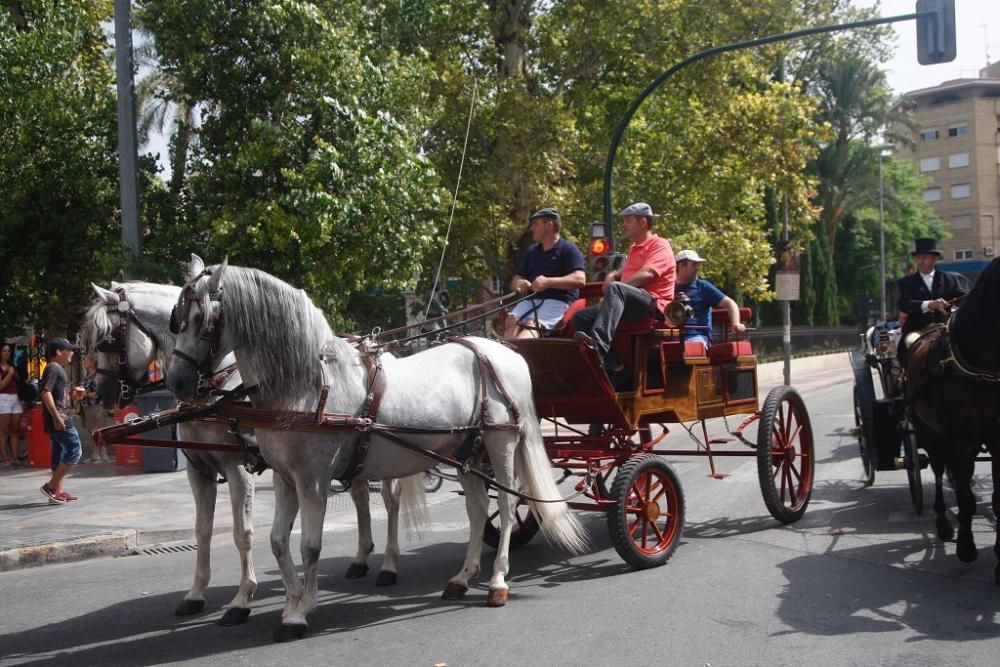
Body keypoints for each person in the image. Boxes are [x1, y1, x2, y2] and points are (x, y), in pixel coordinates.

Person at [572, 202, 676, 376]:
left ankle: (597, 347)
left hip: (653, 305)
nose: (624, 225)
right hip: (630, 301)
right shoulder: (634, 249)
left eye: (628, 220)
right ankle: (612, 363)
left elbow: (647, 274)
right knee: (580, 317)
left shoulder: (660, 245)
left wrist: (615, 289)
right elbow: (624, 274)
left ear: (642, 223)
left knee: (616, 290)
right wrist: (614, 274)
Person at [503, 207, 586, 339]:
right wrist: (519, 284)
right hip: (531, 300)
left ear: (549, 224)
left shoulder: (569, 249)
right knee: (510, 321)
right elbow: (515, 280)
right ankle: (506, 357)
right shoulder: (532, 251)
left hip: (557, 301)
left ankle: (523, 356)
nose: (532, 228)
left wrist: (548, 282)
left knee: (532, 324)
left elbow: (580, 279)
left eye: (536, 224)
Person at [896, 237, 969, 363]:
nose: (921, 261)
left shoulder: (950, 279)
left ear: (934, 259)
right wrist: (929, 304)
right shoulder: (906, 282)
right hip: (917, 329)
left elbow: (962, 300)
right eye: (918, 257)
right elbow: (904, 304)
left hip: (946, 327)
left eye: (925, 257)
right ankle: (909, 377)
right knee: (910, 343)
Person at [39, 338, 83, 504]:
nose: (71, 352)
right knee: (74, 450)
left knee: (58, 455)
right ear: (58, 351)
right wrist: (57, 417)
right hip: (60, 419)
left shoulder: (56, 369)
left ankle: (56, 490)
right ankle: (50, 487)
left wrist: (71, 394)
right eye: (69, 349)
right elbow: (45, 393)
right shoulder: (54, 368)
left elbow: (55, 394)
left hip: (57, 418)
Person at [673, 249, 746, 345]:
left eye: (698, 264)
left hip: (697, 336)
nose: (698, 268)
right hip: (672, 336)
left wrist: (736, 323)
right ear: (681, 266)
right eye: (694, 264)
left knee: (691, 347)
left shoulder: (702, 286)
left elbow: (730, 303)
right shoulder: (668, 286)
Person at [77, 355, 113, 463]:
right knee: (91, 432)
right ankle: (95, 454)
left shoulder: (97, 376)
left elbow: (99, 393)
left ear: (93, 362)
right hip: (86, 406)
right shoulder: (87, 375)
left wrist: (85, 394)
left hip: (96, 406)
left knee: (100, 430)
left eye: (86, 360)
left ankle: (103, 454)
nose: (84, 362)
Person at [0, 342, 22, 469]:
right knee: (3, 431)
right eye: (4, 351)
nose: (7, 353)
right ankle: (5, 458)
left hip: (15, 398)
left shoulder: (12, 366)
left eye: (8, 351)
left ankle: (16, 457)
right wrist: (9, 374)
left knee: (15, 430)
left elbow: (18, 381)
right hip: (3, 399)